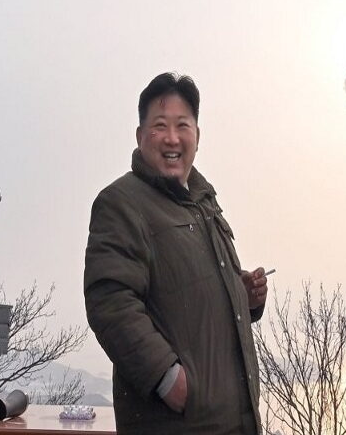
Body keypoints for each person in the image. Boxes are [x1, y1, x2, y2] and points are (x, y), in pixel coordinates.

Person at [84, 72, 268, 434]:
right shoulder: (121, 203)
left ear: (197, 136)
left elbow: (188, 289)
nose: (172, 138)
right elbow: (111, 300)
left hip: (236, 422)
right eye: (160, 126)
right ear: (140, 137)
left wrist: (242, 294)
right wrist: (169, 381)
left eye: (182, 125)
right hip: (178, 424)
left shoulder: (204, 203)